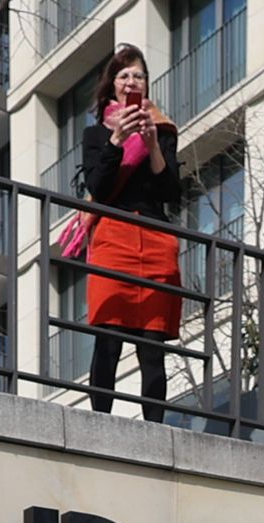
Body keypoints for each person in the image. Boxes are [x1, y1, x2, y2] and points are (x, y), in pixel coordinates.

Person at [78, 45, 184, 420]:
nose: (131, 81)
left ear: (146, 84)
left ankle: (155, 428)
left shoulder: (164, 130)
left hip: (155, 240)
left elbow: (172, 193)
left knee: (153, 344)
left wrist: (153, 146)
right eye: (124, 76)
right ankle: (98, 423)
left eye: (138, 75)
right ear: (112, 87)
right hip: (113, 239)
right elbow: (99, 188)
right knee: (108, 337)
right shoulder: (95, 135)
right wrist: (117, 141)